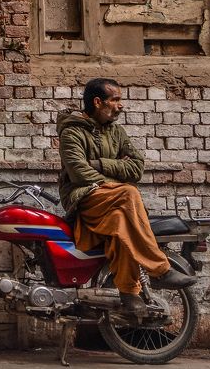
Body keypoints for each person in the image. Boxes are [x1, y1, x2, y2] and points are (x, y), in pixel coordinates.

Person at [57, 78, 196, 317]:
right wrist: (117, 181)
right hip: (83, 199)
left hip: (112, 201)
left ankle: (129, 293)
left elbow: (136, 168)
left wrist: (100, 164)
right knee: (128, 192)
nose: (121, 106)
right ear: (98, 102)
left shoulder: (116, 132)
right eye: (116, 100)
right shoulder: (72, 132)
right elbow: (79, 173)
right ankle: (160, 269)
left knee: (121, 224)